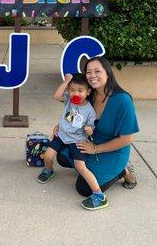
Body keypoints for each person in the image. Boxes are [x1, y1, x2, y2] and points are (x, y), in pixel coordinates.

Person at [56, 56, 139, 210]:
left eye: (97, 71)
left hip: (112, 151)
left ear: (108, 73)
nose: (92, 75)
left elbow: (126, 139)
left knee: (83, 188)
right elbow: (72, 112)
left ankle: (122, 171)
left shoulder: (123, 101)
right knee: (60, 155)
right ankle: (91, 170)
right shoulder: (89, 94)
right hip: (90, 143)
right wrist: (61, 125)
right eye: (88, 72)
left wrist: (95, 149)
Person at [38, 73, 109, 210]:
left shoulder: (89, 110)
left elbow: (91, 126)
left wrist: (89, 129)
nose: (75, 93)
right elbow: (56, 95)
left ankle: (99, 195)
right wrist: (67, 81)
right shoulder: (68, 101)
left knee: (81, 166)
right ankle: (49, 170)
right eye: (72, 90)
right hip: (62, 136)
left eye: (80, 91)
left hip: (77, 141)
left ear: (88, 92)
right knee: (48, 156)